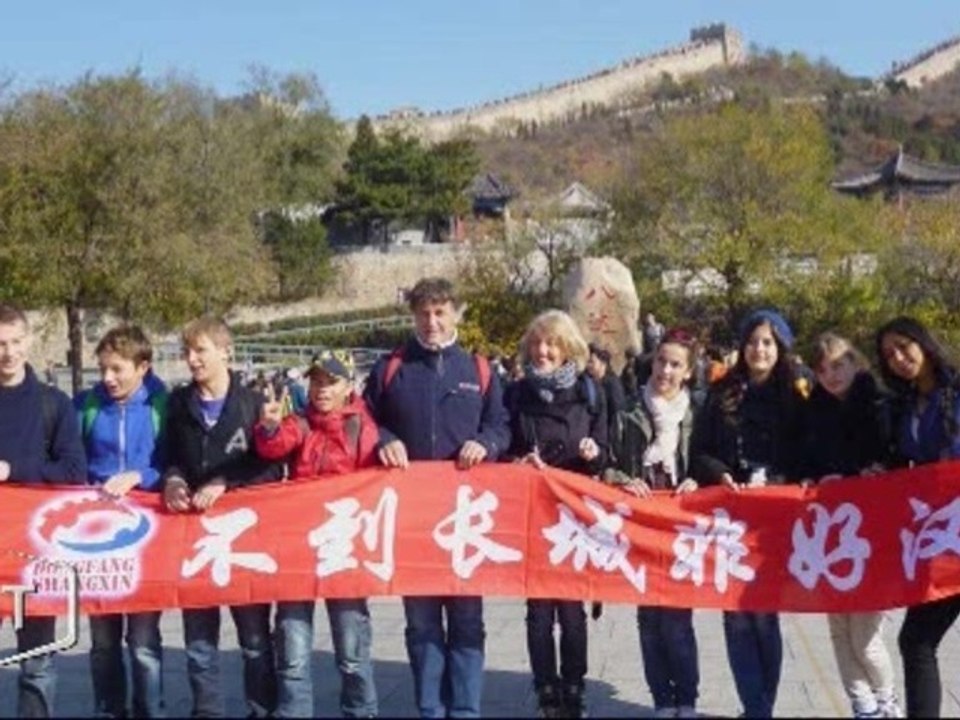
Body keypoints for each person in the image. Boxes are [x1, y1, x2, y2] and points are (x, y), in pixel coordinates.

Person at [363, 277, 510, 719]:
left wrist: (486, 442)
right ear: (413, 316)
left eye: (440, 312)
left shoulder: (479, 370)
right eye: (424, 313)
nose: (432, 322)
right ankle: (430, 708)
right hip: (412, 519)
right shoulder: (391, 369)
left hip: (465, 520)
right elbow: (364, 421)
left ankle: (465, 710)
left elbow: (503, 426)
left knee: (467, 622)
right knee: (422, 623)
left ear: (456, 315)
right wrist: (384, 439)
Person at [161, 316, 283, 718]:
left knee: (254, 639)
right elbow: (168, 458)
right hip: (195, 537)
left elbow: (270, 467)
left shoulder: (250, 404)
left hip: (243, 538)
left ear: (225, 352)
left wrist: (224, 482)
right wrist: (174, 480)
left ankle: (261, 709)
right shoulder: (178, 403)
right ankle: (207, 711)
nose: (192, 360)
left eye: (201, 351)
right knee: (199, 642)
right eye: (187, 352)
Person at [691, 309, 806, 719]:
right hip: (729, 517)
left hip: (772, 520)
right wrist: (720, 473)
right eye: (753, 341)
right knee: (736, 617)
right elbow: (699, 452)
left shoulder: (795, 398)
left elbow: (805, 456)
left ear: (780, 349)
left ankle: (762, 708)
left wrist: (776, 480)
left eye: (768, 343)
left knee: (764, 616)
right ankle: (754, 707)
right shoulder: (721, 394)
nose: (759, 349)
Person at [254, 349, 379, 718]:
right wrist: (270, 427)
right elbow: (273, 445)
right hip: (299, 552)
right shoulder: (301, 423)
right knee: (292, 653)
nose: (322, 389)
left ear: (349, 386)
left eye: (331, 381)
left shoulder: (362, 427)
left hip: (345, 554)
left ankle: (361, 711)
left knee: (353, 654)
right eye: (316, 381)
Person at [508, 311, 607, 719]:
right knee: (537, 613)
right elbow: (503, 446)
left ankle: (574, 684)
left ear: (568, 349)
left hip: (574, 516)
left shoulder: (590, 393)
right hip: (534, 515)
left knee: (572, 612)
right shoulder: (516, 394)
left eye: (551, 344)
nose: (543, 351)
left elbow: (607, 450)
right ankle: (545, 685)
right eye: (537, 344)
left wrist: (593, 452)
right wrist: (518, 460)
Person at [603, 328, 700, 719]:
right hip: (640, 526)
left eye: (676, 364)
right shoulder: (629, 410)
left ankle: (687, 699)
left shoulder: (697, 413)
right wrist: (626, 481)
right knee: (648, 620)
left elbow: (710, 459)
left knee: (677, 620)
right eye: (661, 361)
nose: (666, 370)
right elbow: (607, 467)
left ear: (688, 372)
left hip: (681, 528)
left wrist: (700, 480)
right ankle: (661, 698)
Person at [804, 332, 901, 719]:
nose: (831, 374)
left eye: (839, 364)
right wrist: (817, 476)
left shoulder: (881, 404)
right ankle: (863, 705)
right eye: (822, 368)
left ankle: (888, 699)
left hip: (873, 534)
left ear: (856, 362)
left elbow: (899, 455)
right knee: (839, 631)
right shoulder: (814, 410)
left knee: (865, 637)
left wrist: (878, 470)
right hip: (831, 534)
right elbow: (803, 460)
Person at [77, 325, 168, 718]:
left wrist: (141, 476)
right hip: (98, 534)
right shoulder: (85, 406)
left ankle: (150, 710)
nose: (107, 378)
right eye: (103, 369)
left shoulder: (164, 406)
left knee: (144, 640)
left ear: (143, 366)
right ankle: (108, 710)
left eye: (117, 369)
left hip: (146, 535)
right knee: (101, 640)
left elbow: (175, 463)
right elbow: (70, 459)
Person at [0, 304, 86, 718]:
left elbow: (73, 471)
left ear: (29, 341)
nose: (8, 352)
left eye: (15, 342)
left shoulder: (54, 404)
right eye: (0, 343)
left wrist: (12, 471)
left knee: (37, 664)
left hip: (34, 553)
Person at [876, 316, 960, 718]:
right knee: (917, 640)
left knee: (918, 640)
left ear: (924, 343)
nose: (898, 358)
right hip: (939, 539)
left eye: (903, 346)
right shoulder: (904, 404)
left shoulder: (956, 391)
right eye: (889, 353)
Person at [586, 343, 626, 440]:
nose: (588, 366)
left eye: (592, 362)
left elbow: (618, 413)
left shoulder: (612, 384)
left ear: (603, 363)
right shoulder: (590, 382)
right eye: (587, 362)